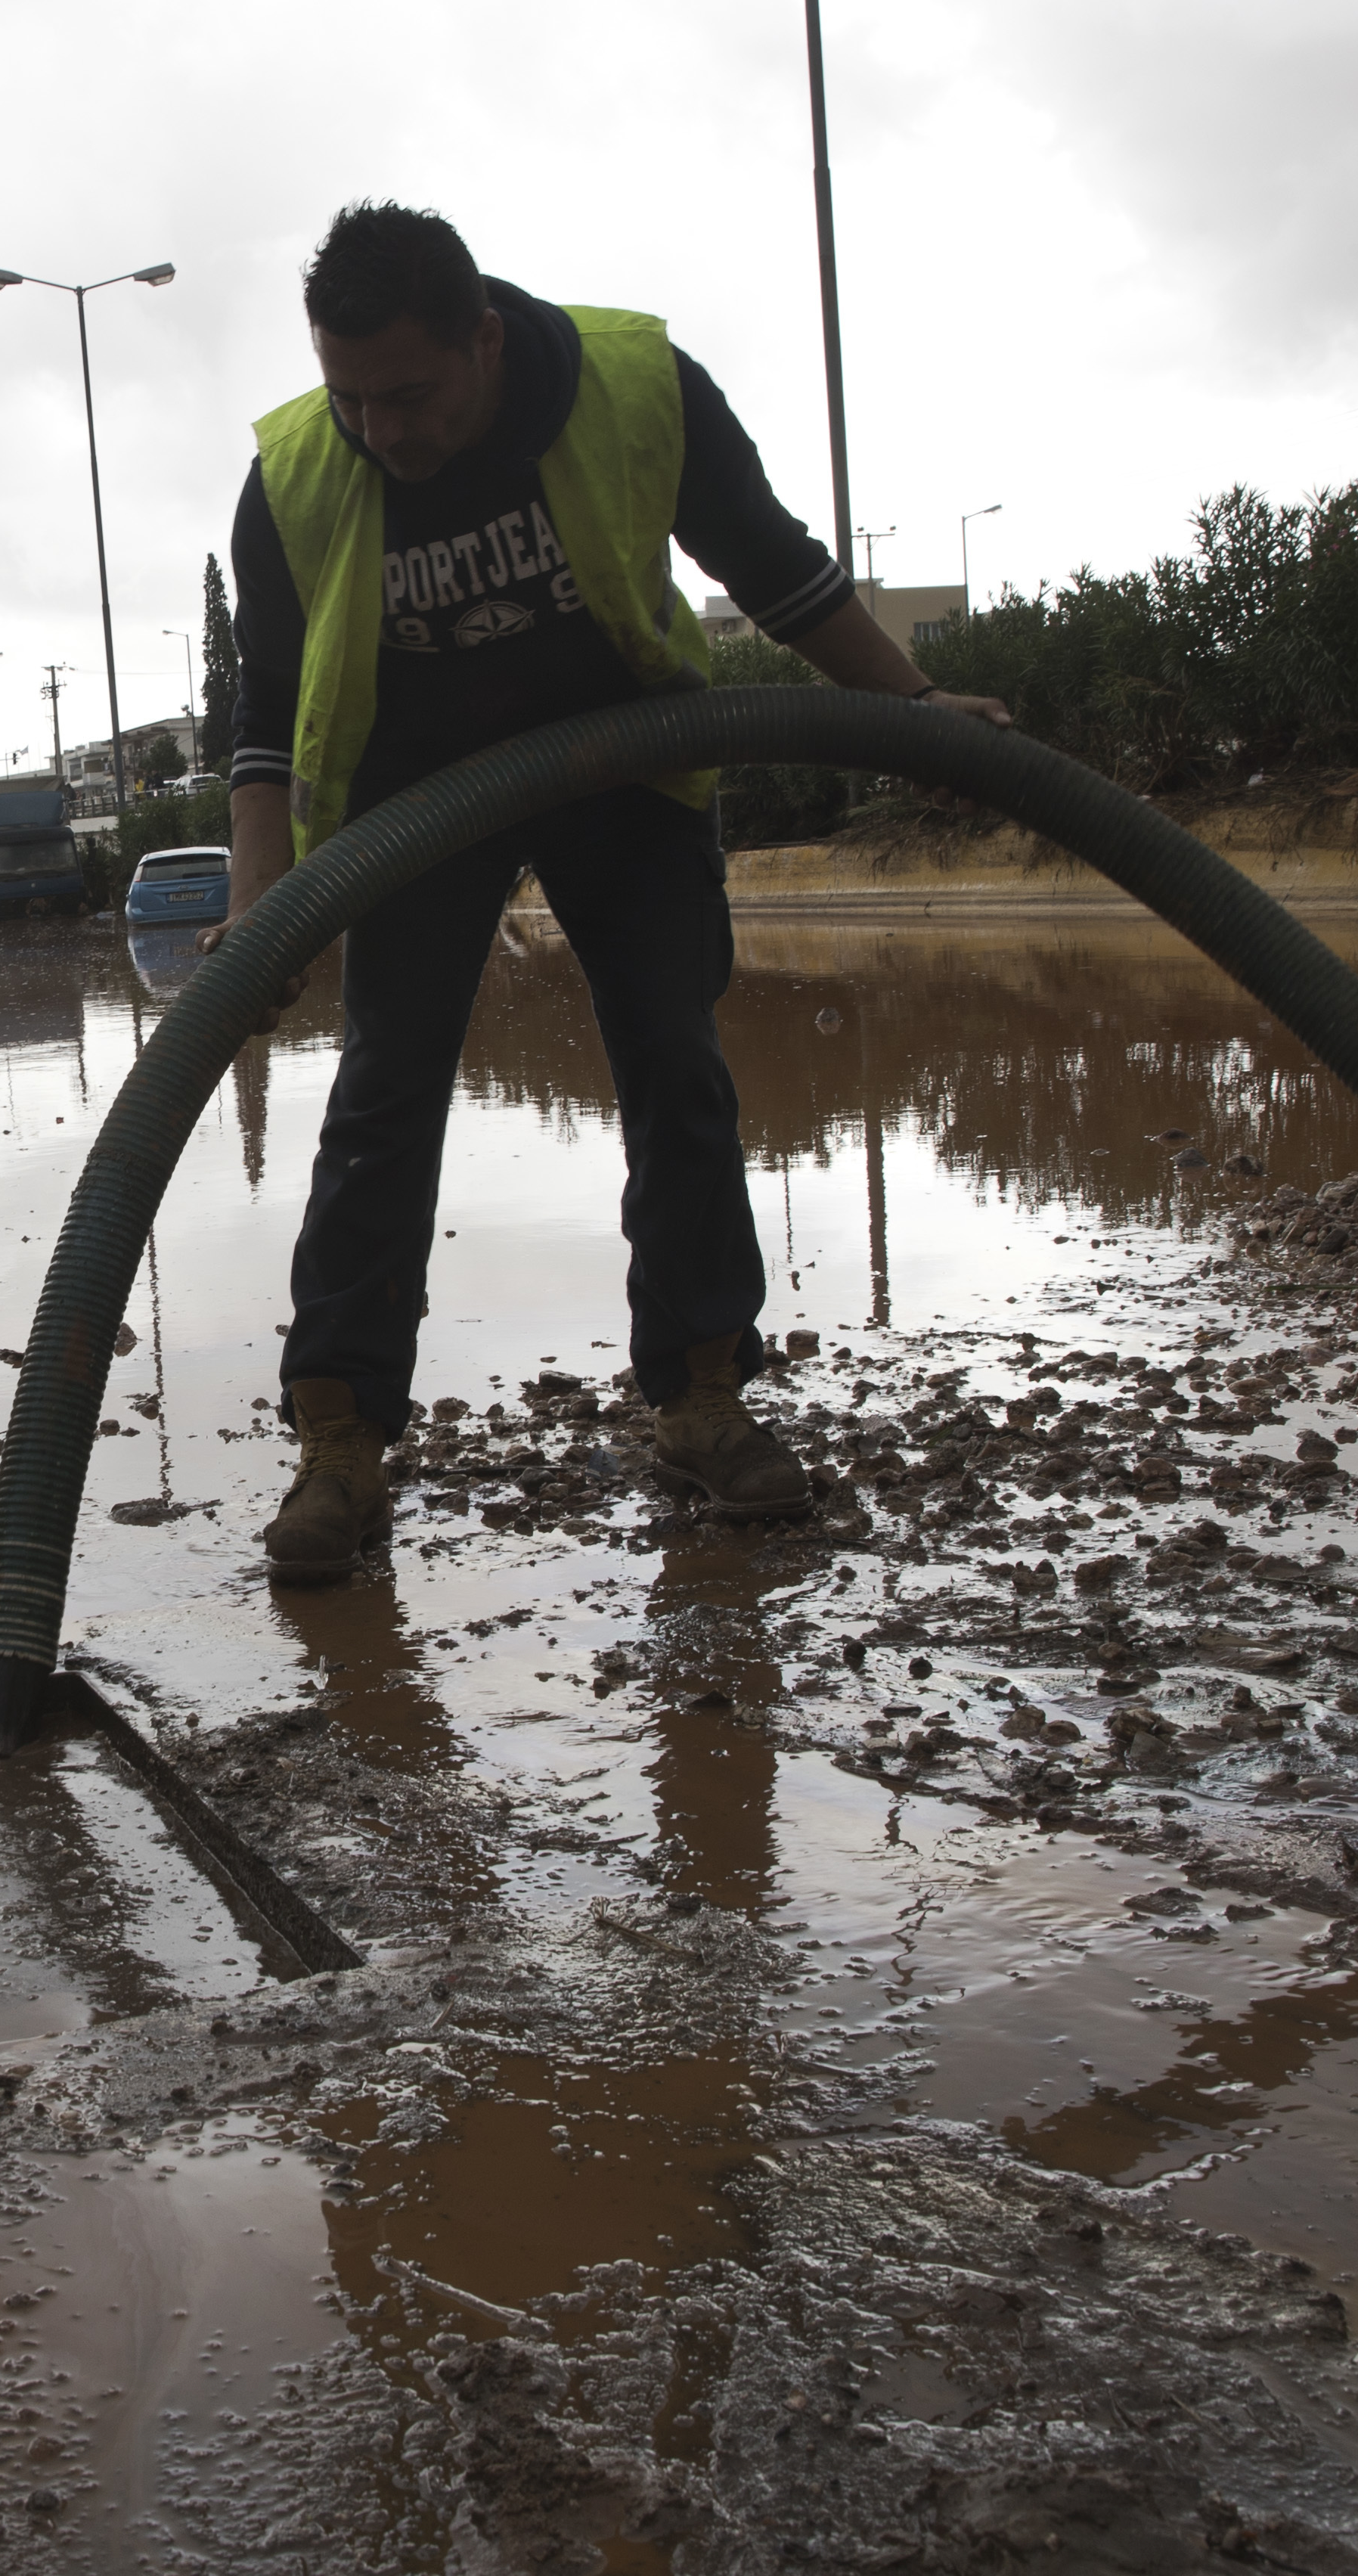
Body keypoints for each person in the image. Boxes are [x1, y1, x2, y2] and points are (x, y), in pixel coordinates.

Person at [216, 200, 1009, 1584]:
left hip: (626, 768)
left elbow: (777, 569)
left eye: (407, 394)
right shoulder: (296, 470)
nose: (382, 431)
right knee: (385, 1094)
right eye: (354, 400)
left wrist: (924, 712)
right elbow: (266, 715)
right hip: (413, 805)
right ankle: (341, 1439)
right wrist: (258, 906)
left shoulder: (637, 390)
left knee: (676, 1061)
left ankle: (703, 1399)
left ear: (483, 337)